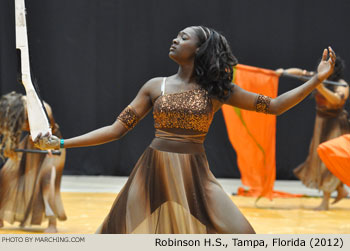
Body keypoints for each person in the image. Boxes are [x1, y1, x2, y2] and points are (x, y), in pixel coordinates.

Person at [35, 26, 336, 233]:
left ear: (200, 48)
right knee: (112, 236)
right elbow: (116, 129)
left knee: (244, 234)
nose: (175, 40)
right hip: (152, 173)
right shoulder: (155, 86)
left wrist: (317, 80)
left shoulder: (219, 89)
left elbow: (273, 106)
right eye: (176, 36)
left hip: (195, 176)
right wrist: (61, 142)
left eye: (183, 37)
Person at [277, 57, 349, 210]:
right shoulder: (318, 77)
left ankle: (325, 202)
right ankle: (340, 189)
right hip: (321, 123)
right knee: (318, 158)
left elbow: (337, 100)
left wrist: (321, 87)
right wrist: (282, 72)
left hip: (335, 125)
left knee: (328, 161)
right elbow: (300, 73)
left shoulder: (341, 84)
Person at [0, 92, 66, 233]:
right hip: (31, 144)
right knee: (5, 174)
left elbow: (49, 134)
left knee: (47, 180)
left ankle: (52, 224)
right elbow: (8, 129)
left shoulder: (42, 110)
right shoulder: (11, 110)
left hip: (52, 145)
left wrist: (48, 145)